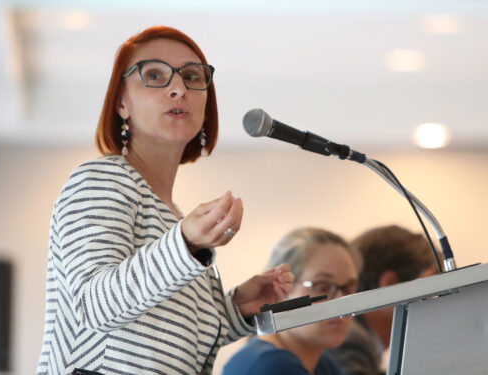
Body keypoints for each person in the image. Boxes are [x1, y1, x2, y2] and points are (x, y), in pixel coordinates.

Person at [36, 26, 294, 375]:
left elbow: (165, 344)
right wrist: (184, 242)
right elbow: (94, 306)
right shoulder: (101, 180)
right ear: (121, 102)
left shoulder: (173, 218)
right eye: (154, 75)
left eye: (191, 77)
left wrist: (235, 309)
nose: (178, 89)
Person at [222, 227, 360, 375]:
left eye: (348, 288)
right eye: (322, 286)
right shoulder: (272, 366)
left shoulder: (322, 363)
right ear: (280, 287)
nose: (340, 301)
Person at [324, 225, 440, 375]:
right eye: (429, 290)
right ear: (390, 284)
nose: (436, 302)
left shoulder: (360, 341)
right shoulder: (350, 341)